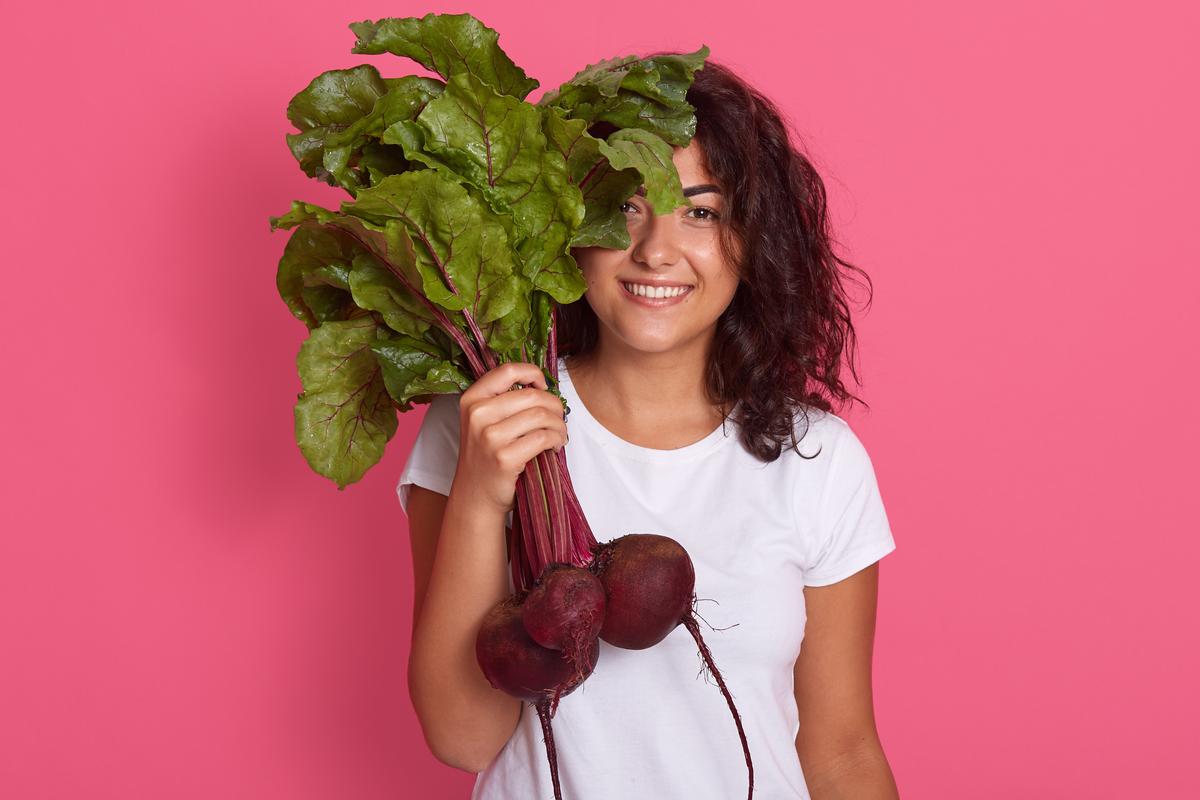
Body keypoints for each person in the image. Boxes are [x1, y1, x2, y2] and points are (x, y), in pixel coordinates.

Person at [397, 57, 900, 799]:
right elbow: (463, 735)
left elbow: (842, 751)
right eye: (627, 207)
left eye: (701, 212)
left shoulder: (818, 459)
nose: (657, 251)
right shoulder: (483, 423)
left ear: (752, 241)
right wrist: (479, 494)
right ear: (565, 229)